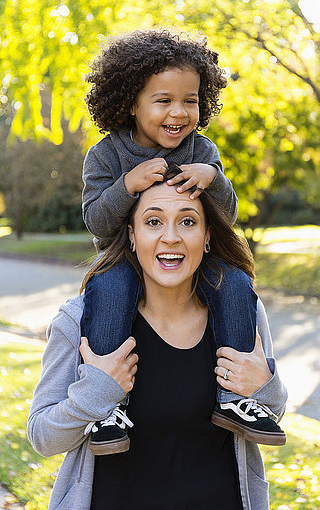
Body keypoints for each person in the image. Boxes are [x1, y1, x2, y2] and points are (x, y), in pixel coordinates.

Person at [27, 165, 288, 510]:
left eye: (188, 221)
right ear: (132, 235)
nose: (171, 237)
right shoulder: (80, 322)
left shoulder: (241, 314)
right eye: (153, 221)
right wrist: (96, 391)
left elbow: (270, 412)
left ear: (208, 235)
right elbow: (42, 436)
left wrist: (267, 386)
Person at [80, 28, 286, 454]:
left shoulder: (202, 151)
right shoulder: (105, 156)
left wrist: (214, 179)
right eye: (163, 100)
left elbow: (223, 220)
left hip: (193, 262)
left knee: (234, 281)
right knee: (108, 288)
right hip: (125, 260)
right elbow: (98, 223)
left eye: (190, 100)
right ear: (131, 103)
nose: (179, 112)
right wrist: (125, 186)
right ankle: (107, 408)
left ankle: (235, 399)